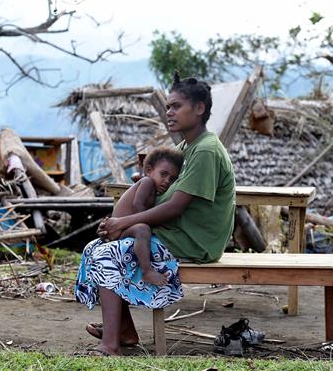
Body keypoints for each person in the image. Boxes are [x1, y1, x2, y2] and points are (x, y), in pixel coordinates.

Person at [75, 71, 236, 356]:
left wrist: (123, 221)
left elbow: (175, 206)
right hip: (176, 234)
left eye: (176, 106)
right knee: (95, 247)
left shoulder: (207, 151)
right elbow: (155, 185)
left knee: (108, 254)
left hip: (194, 242)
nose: (169, 111)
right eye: (168, 106)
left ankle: (110, 344)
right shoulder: (185, 147)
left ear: (199, 109)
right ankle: (122, 331)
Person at [109, 146, 184, 286]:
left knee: (143, 229)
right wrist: (151, 225)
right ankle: (146, 271)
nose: (167, 181)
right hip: (120, 229)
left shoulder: (156, 190)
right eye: (163, 174)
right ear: (149, 171)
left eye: (172, 179)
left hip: (125, 228)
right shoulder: (147, 182)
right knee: (143, 229)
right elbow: (138, 205)